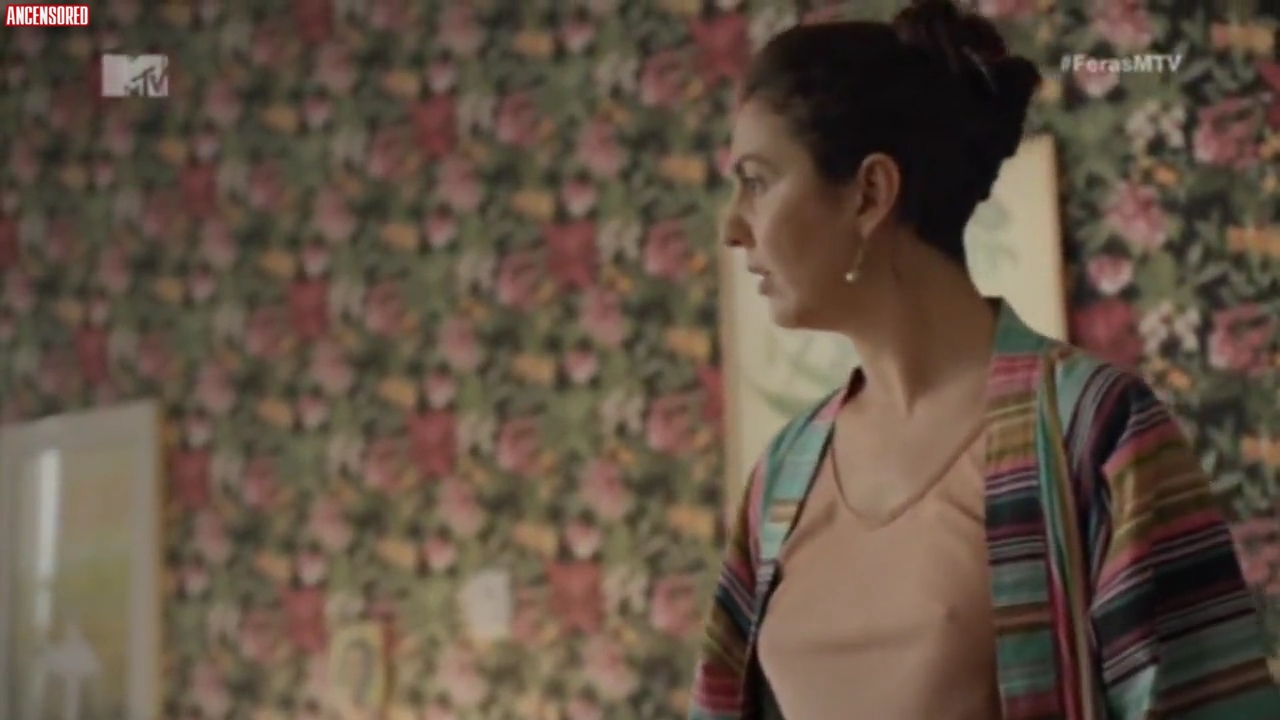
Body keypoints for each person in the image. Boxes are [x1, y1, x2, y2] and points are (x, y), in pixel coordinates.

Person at [689, 1, 1280, 719]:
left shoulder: (1096, 431)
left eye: (757, 181)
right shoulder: (783, 475)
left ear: (870, 194)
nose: (733, 228)